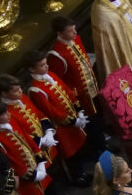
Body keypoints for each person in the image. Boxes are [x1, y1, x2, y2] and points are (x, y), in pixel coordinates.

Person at [0, 103, 61, 195]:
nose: (8, 115)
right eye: (3, 114)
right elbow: (11, 162)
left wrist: (39, 158)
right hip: (25, 179)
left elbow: (26, 139)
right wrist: (30, 174)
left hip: (34, 169)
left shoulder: (9, 126)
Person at [24, 51, 90, 182]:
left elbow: (67, 91)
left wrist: (79, 110)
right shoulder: (36, 89)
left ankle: (82, 171)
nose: (46, 66)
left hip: (72, 118)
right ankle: (76, 177)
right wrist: (72, 121)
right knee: (70, 154)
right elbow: (51, 112)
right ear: (32, 69)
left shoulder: (50, 75)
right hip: (61, 128)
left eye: (46, 63)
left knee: (78, 147)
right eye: (42, 65)